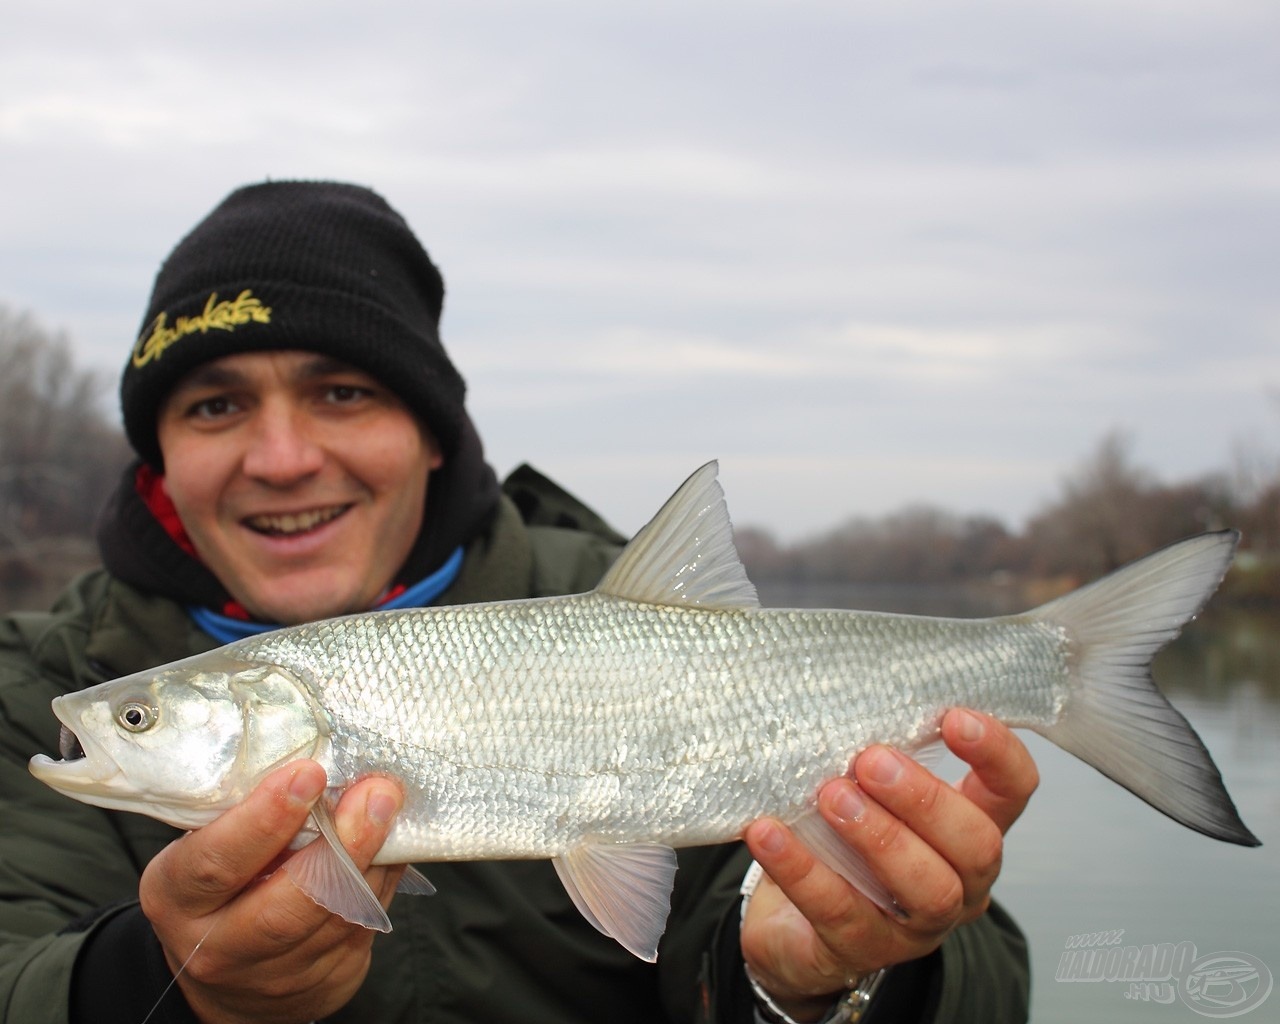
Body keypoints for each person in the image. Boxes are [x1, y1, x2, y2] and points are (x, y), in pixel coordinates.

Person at [0, 181, 1036, 1023]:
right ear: (159, 454)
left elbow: (983, 982)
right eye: (216, 403)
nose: (282, 457)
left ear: (433, 432)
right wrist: (157, 988)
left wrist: (817, 986)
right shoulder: (33, 687)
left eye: (343, 392)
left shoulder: (612, 597)